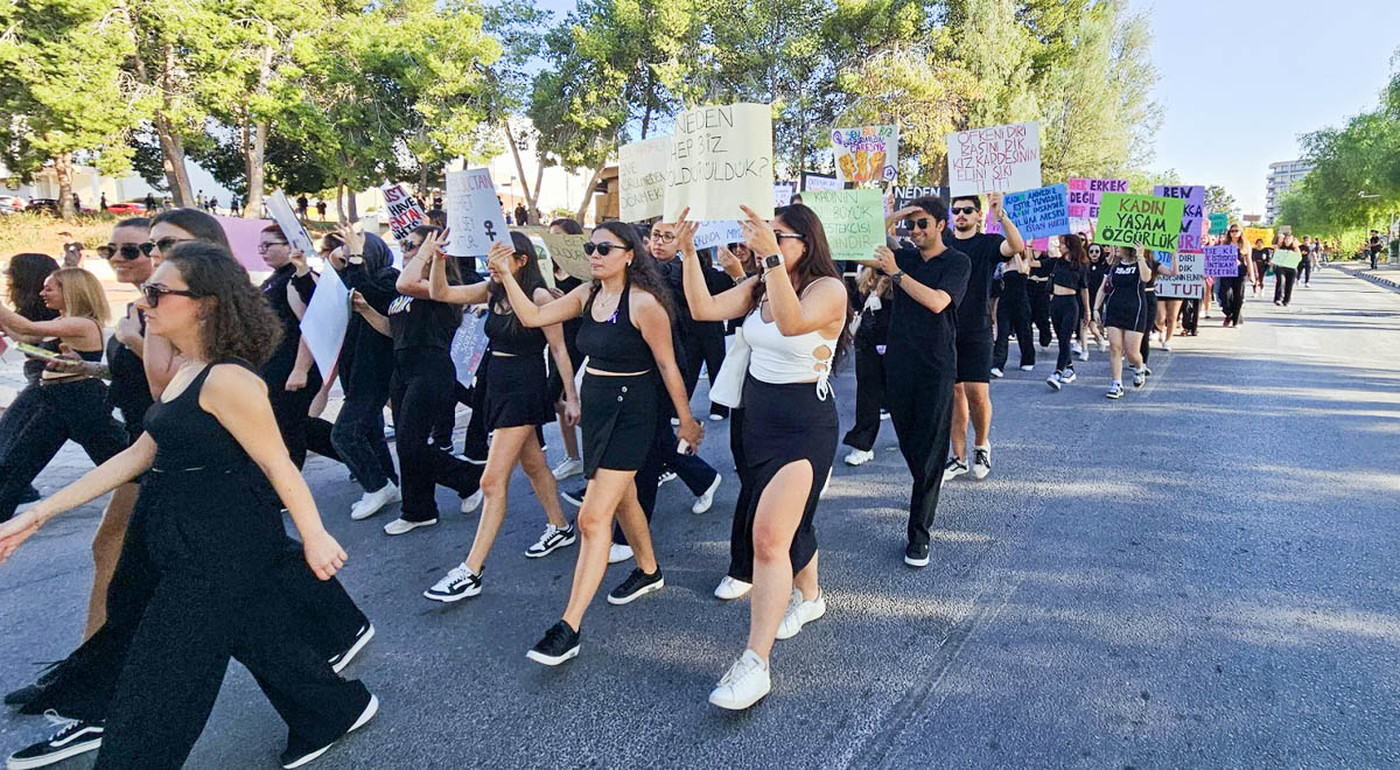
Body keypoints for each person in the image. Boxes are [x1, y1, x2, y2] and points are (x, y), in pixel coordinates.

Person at [0, 242, 377, 769]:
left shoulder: (229, 379)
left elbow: (278, 463)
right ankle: (334, 709)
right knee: (257, 633)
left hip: (219, 542)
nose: (144, 300)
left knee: (160, 678)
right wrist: (40, 512)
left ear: (204, 303)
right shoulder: (189, 367)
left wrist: (315, 536)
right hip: (180, 529)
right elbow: (140, 453)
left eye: (158, 290)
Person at [491, 220, 700, 667]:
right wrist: (507, 275)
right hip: (598, 410)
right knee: (623, 498)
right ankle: (648, 569)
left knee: (591, 518)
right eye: (591, 247)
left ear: (629, 254)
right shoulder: (586, 295)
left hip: (633, 412)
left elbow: (668, 366)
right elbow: (533, 317)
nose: (595, 254)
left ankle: (569, 625)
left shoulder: (644, 304)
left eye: (605, 247)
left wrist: (686, 420)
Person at [676, 204, 847, 710]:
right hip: (756, 422)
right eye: (762, 235)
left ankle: (755, 663)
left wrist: (769, 259)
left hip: (804, 427)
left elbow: (793, 324)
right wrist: (688, 253)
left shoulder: (827, 289)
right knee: (788, 523)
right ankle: (811, 597)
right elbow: (703, 309)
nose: (763, 242)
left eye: (777, 235)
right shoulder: (756, 285)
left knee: (769, 536)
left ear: (805, 241)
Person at [422, 232, 582, 602]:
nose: (492, 263)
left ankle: (471, 570)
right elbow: (442, 293)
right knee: (534, 464)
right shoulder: (492, 290)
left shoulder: (540, 297)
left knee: (492, 481)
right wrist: (438, 260)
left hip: (523, 389)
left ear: (522, 260)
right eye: (490, 255)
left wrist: (570, 396)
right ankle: (559, 525)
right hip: (494, 384)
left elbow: (559, 350)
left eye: (500, 256)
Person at [872, 197, 971, 568]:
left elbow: (936, 302)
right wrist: (899, 212)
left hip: (936, 366)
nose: (915, 232)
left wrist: (896, 274)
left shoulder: (958, 262)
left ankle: (919, 535)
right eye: (910, 226)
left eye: (922, 224)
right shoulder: (907, 256)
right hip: (899, 362)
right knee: (909, 439)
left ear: (941, 225)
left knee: (931, 447)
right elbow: (869, 237)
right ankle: (924, 485)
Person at [0, 267, 126, 523]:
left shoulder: (82, 323)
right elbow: (23, 335)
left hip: (80, 400)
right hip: (58, 399)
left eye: (49, 288)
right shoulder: (63, 321)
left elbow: (25, 327)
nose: (42, 293)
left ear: (71, 291)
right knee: (19, 459)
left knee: (120, 458)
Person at [381, 225, 484, 534]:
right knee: (406, 443)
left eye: (411, 245)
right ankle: (418, 510)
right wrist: (362, 310)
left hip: (430, 367)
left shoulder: (441, 286)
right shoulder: (407, 288)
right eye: (403, 244)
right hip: (403, 368)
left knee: (411, 444)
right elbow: (392, 329)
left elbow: (405, 282)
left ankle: (467, 478)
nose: (405, 249)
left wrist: (427, 251)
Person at [942, 193, 1024, 482]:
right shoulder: (944, 243)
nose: (960, 215)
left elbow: (1016, 246)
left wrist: (1000, 215)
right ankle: (959, 457)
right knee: (954, 394)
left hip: (977, 328)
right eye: (956, 211)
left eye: (967, 210)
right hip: (946, 328)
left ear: (978, 215)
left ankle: (981, 446)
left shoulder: (988, 243)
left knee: (977, 393)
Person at [325, 228, 402, 521]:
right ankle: (388, 483)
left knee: (344, 434)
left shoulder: (389, 278)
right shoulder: (355, 275)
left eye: (355, 251)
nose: (348, 257)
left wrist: (356, 258)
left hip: (375, 368)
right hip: (356, 367)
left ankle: (376, 485)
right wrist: (331, 264)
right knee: (370, 432)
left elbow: (366, 293)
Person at [257, 224, 327, 468]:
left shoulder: (296, 279)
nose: (262, 251)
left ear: (289, 246)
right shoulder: (274, 278)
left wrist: (300, 369)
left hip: (292, 364)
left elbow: (309, 326)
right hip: (275, 362)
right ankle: (364, 458)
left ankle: (288, 487)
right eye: (260, 246)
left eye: (268, 245)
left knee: (289, 427)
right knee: (296, 424)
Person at [547, 217, 588, 481]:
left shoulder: (582, 271)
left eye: (559, 235)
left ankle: (604, 432)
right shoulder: (546, 271)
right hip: (554, 342)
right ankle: (572, 456)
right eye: (550, 235)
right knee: (558, 400)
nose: (554, 240)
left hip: (577, 341)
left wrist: (568, 303)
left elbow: (594, 305)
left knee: (556, 397)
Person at [842, 266, 892, 466]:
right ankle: (862, 445)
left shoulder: (902, 281)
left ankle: (913, 438)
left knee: (904, 395)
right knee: (867, 395)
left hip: (897, 343)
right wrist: (875, 290)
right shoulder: (862, 281)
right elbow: (854, 307)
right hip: (868, 344)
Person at [1093, 245, 1155, 399]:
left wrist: (1140, 256)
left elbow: (1146, 278)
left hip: (1135, 310)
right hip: (1114, 309)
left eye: (1118, 246)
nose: (1115, 248)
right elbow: (1103, 288)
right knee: (1115, 347)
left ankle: (1140, 367)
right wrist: (1096, 308)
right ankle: (1116, 383)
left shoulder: (1141, 262)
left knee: (1131, 352)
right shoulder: (1114, 265)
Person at [1045, 235, 1092, 390]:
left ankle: (1057, 373)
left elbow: (1084, 289)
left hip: (1070, 304)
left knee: (1065, 339)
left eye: (1063, 244)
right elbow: (1034, 263)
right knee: (1061, 340)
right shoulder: (1057, 262)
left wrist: (1088, 310)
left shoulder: (1082, 265)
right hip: (1055, 303)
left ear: (1071, 246)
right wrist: (1030, 246)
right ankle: (1070, 368)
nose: (1060, 246)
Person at [991, 246, 1034, 376]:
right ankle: (997, 364)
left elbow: (1022, 270)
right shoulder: (1003, 265)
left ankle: (1028, 359)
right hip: (1005, 301)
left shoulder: (1025, 261)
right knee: (1002, 333)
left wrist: (1017, 253)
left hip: (1021, 300)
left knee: (1023, 331)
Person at [1217, 225, 1253, 327]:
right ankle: (1229, 313)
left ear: (1241, 232)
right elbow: (1218, 257)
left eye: (1236, 231)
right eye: (1232, 231)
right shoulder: (1225, 243)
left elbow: (1249, 259)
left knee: (1238, 296)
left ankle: (1236, 320)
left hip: (1240, 272)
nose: (1234, 233)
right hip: (1227, 272)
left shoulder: (1245, 244)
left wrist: (1252, 275)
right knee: (1225, 294)